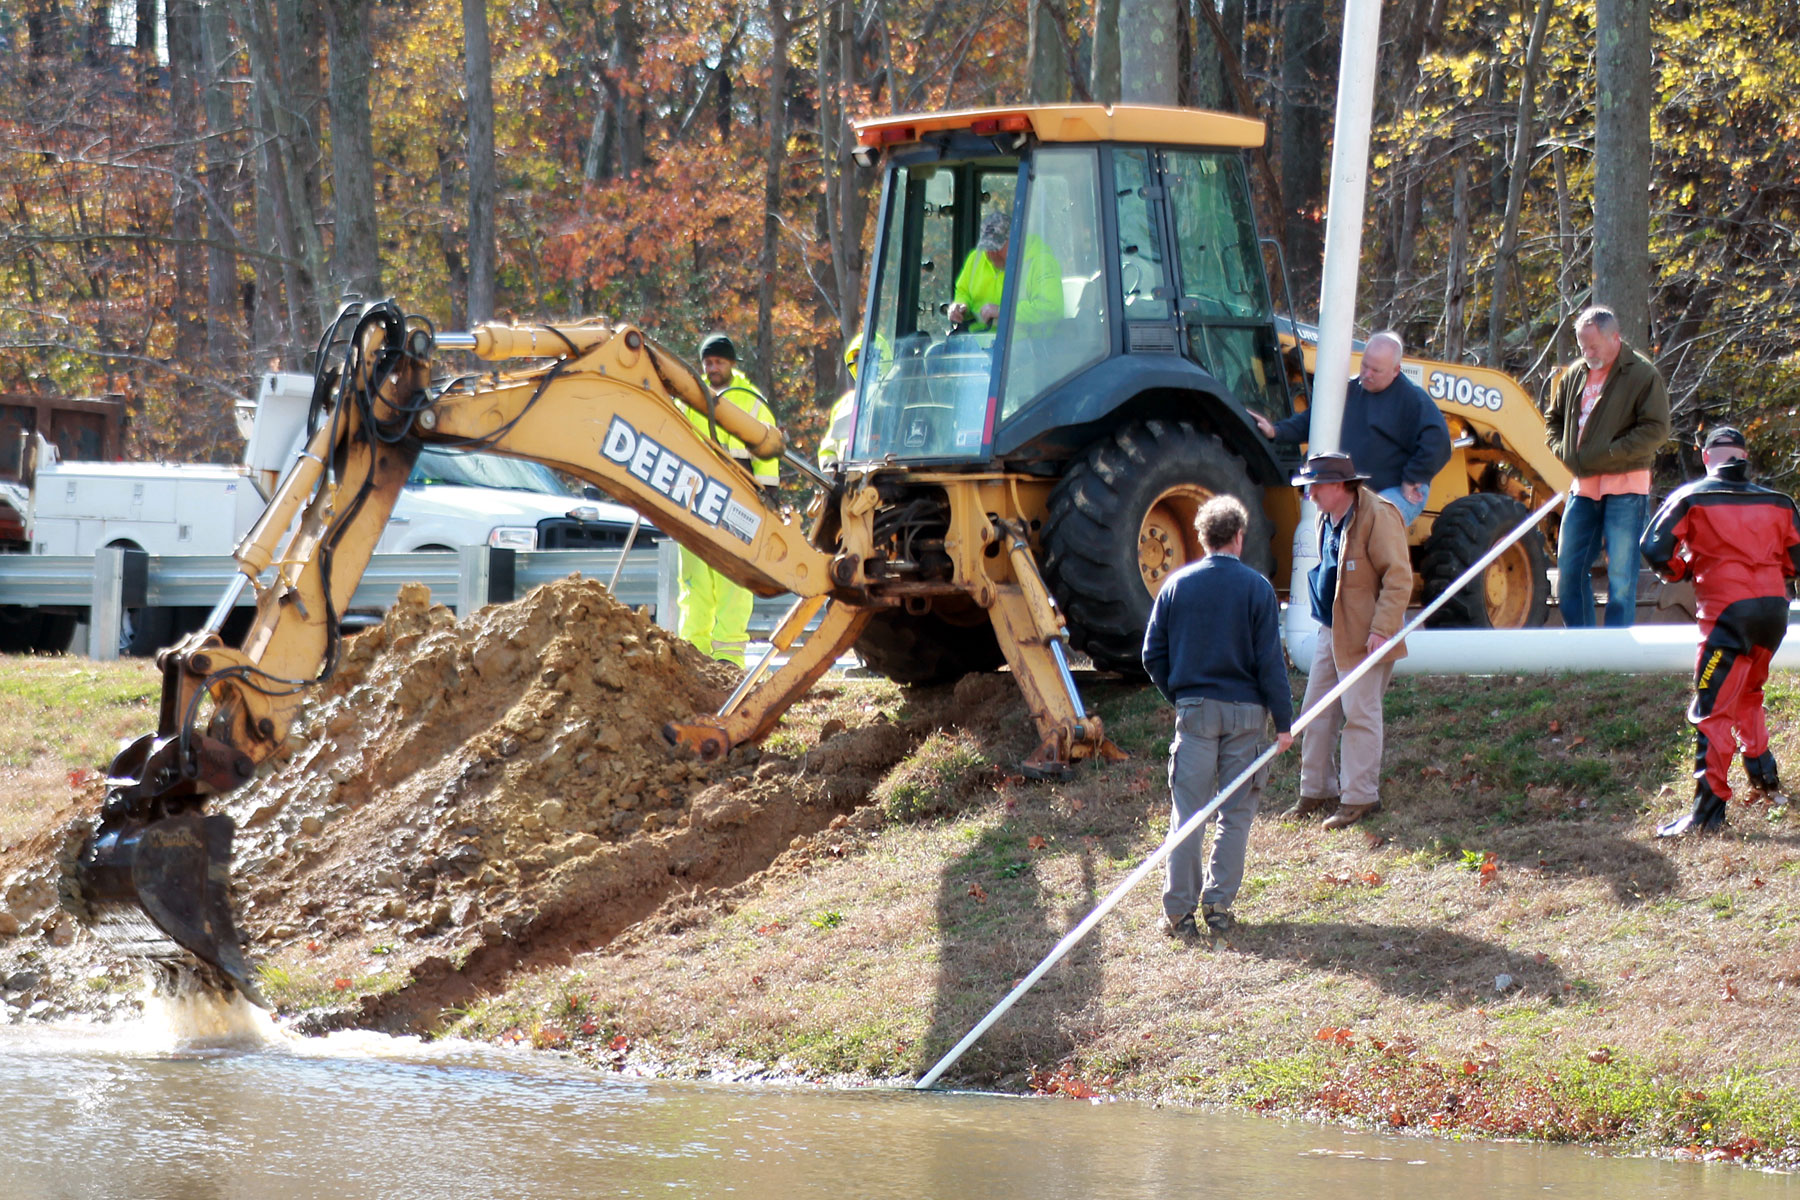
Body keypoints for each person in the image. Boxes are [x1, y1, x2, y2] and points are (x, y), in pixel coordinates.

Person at [1142, 495, 1294, 937]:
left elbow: (1152, 654)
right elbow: (1271, 663)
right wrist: (1283, 723)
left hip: (1196, 712)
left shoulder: (1176, 585)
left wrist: (1182, 696)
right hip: (1247, 715)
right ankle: (1219, 906)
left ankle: (1178, 914)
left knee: (1187, 814)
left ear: (1201, 537)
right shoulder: (1258, 589)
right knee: (1235, 814)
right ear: (1239, 537)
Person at [1640, 426, 1800, 836]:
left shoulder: (1691, 497)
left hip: (1726, 614)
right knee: (1749, 692)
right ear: (1743, 457)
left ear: (1705, 456)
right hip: (1773, 612)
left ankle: (1706, 814)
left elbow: (1655, 548)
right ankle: (1764, 776)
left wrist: (1684, 569)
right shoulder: (1780, 502)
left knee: (1712, 712)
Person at [1289, 451, 1413, 829]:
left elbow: (1398, 578)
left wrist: (1381, 630)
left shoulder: (1379, 515)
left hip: (1366, 635)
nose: (1309, 494)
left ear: (1340, 486)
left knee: (1360, 715)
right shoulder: (1328, 516)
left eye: (1315, 486)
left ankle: (1360, 798)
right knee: (1315, 712)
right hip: (1332, 629)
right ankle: (1317, 791)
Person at [1544, 304, 1672, 627]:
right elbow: (1553, 420)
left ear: (1615, 338)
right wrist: (1562, 450)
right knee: (1569, 571)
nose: (1587, 352)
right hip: (1583, 487)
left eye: (1593, 346)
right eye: (1582, 346)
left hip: (1626, 489)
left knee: (1621, 578)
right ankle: (1584, 648)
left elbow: (1656, 429)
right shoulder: (1574, 374)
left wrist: (1611, 453)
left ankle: (1616, 655)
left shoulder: (1642, 374)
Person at [1252, 331, 1450, 527]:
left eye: (1376, 370)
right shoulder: (1351, 389)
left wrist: (1414, 477)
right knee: (1333, 529)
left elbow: (1439, 441)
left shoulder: (1413, 401)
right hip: (1352, 491)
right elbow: (1315, 420)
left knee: (1371, 526)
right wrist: (1276, 431)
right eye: (1365, 365)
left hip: (1394, 490)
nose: (1367, 374)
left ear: (1396, 370)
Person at [679, 332, 778, 666]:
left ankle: (728, 660)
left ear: (732, 363)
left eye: (718, 361)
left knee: (733, 584)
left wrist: (768, 495)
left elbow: (766, 454)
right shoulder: (689, 400)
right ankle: (694, 654)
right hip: (693, 503)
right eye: (708, 362)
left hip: (736, 505)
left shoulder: (750, 401)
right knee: (695, 584)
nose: (712, 367)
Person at [946, 212, 1062, 333]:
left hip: (1024, 345)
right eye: (988, 247)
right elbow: (963, 291)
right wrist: (960, 306)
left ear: (1016, 239)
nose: (992, 254)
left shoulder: (1040, 262)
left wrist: (1005, 312)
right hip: (979, 341)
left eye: (997, 247)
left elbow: (1052, 308)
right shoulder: (975, 258)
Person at [817, 334, 859, 468]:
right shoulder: (846, 405)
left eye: (867, 356)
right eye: (856, 358)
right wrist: (830, 468)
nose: (861, 362)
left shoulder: (898, 400)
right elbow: (829, 448)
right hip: (851, 483)